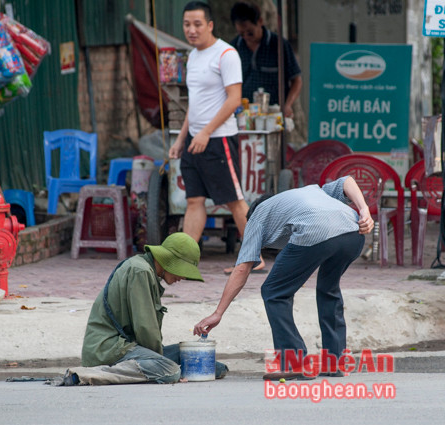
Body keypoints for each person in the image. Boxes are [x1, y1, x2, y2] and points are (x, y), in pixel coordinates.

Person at [193, 176, 374, 380]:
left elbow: (242, 269)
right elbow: (347, 181)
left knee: (273, 292)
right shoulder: (310, 192)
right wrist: (364, 210)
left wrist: (218, 312)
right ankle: (336, 362)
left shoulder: (256, 217)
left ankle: (294, 363)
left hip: (315, 231)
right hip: (354, 232)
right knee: (328, 289)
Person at [52, 232, 228, 386]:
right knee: (170, 371)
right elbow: (145, 329)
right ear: (171, 261)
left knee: (213, 367)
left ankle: (161, 367)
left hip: (128, 347)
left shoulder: (147, 270)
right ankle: (88, 374)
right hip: (108, 350)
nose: (183, 277)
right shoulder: (140, 271)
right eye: (183, 271)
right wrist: (165, 367)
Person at [169, 1, 264, 273]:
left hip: (218, 139)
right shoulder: (193, 57)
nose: (192, 30)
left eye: (197, 24)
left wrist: (207, 132)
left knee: (234, 200)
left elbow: (234, 99)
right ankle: (183, 258)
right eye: (187, 24)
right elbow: (195, 105)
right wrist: (181, 139)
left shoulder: (226, 54)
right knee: (194, 200)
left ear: (210, 25)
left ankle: (255, 257)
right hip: (194, 140)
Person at [230, 1, 302, 119]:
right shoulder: (233, 48)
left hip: (273, 113)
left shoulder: (279, 45)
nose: (247, 38)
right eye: (242, 34)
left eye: (250, 33)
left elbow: (296, 80)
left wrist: (287, 105)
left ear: (260, 22)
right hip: (242, 114)